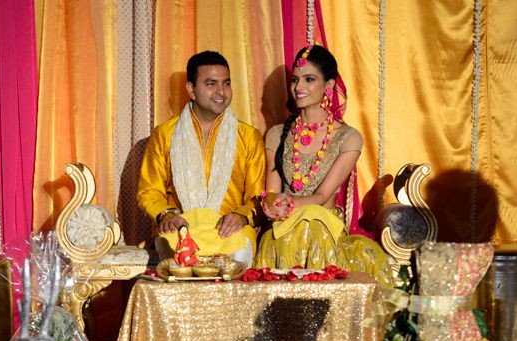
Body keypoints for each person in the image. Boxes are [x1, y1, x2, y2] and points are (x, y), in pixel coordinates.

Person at [254, 44, 392, 284]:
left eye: (309, 80)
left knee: (312, 223)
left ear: (328, 86)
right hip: (283, 226)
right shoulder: (277, 134)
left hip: (324, 228)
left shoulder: (348, 137)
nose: (299, 87)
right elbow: (272, 190)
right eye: (295, 80)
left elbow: (322, 195)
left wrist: (289, 204)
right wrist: (272, 203)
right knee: (278, 236)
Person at [137, 51, 266, 264]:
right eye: (211, 84)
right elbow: (149, 191)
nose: (221, 92)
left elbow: (258, 196)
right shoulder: (164, 135)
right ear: (191, 90)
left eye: (226, 83)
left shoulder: (248, 137)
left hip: (229, 230)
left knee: (240, 252)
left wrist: (241, 217)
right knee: (173, 249)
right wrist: (166, 215)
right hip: (181, 227)